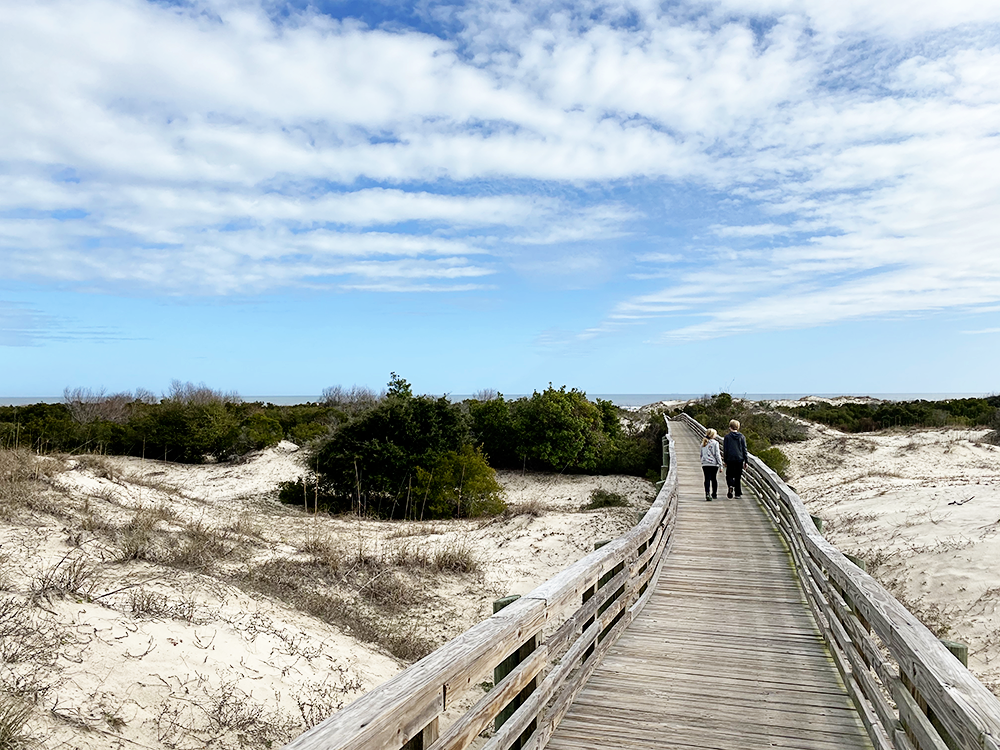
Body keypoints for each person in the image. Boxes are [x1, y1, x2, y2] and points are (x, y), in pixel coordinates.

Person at [723, 419, 748, 498]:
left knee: (729, 475)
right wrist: (746, 461)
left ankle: (730, 485)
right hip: (739, 459)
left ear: (730, 427)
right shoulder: (741, 437)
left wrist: (725, 460)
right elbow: (744, 449)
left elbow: (725, 449)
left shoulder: (727, 437)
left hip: (730, 458)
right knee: (738, 476)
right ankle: (737, 493)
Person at [700, 428, 722, 501]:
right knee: (714, 479)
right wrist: (720, 464)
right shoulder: (715, 443)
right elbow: (717, 454)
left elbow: (701, 454)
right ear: (713, 435)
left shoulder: (703, 443)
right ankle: (714, 494)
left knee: (707, 479)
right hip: (713, 464)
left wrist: (702, 461)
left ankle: (707, 493)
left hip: (705, 464)